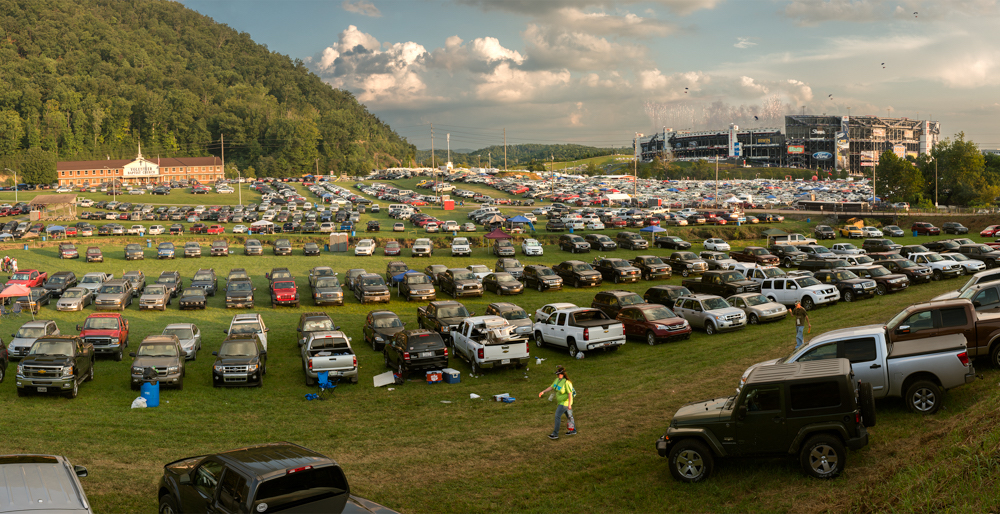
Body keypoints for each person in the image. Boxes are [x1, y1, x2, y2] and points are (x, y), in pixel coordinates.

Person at [538, 365, 575, 439]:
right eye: (557, 374)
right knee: (569, 416)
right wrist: (543, 392)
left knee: (557, 416)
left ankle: (555, 434)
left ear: (562, 374)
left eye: (558, 374)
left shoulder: (567, 383)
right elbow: (551, 387)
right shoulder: (557, 380)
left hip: (565, 403)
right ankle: (573, 430)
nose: (557, 376)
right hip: (561, 402)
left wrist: (569, 404)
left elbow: (570, 393)